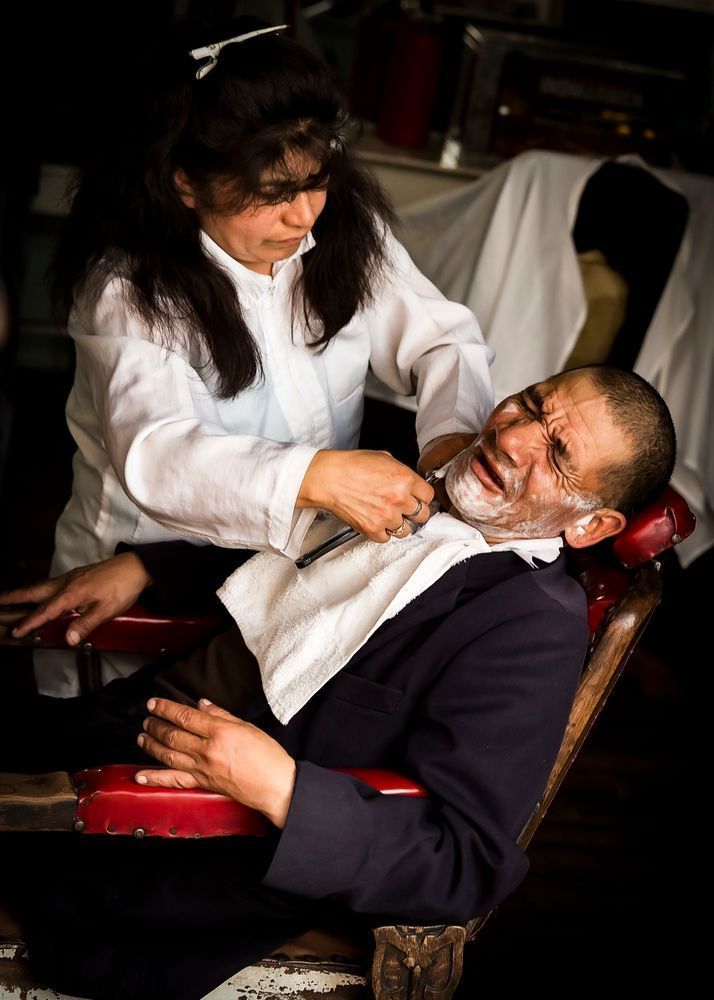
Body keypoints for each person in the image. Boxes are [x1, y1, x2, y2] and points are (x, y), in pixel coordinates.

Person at [0, 366, 676, 1000]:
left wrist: (283, 789)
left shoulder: (530, 627)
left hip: (190, 837)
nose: (514, 437)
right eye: (528, 404)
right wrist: (148, 570)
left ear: (592, 524)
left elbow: (463, 860)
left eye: (557, 453)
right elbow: (298, 579)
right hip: (120, 719)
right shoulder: (418, 483)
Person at [35, 15, 493, 697]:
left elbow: (442, 341)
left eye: (315, 181)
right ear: (186, 182)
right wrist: (317, 476)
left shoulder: (345, 232)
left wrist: (451, 436)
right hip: (139, 592)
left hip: (288, 583)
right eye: (272, 192)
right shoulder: (130, 290)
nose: (302, 215)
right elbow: (159, 453)